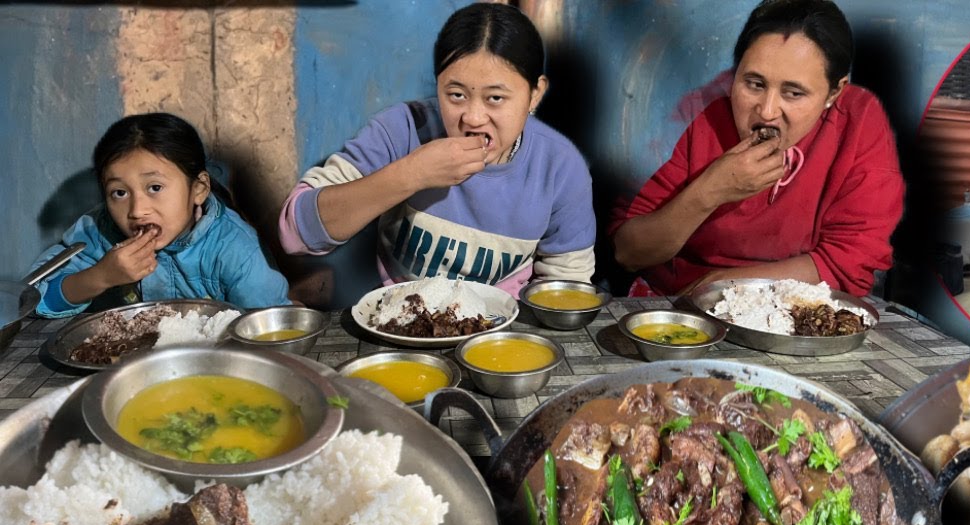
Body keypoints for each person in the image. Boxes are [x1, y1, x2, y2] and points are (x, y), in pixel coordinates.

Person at [278, 3, 595, 296]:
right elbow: (297, 233)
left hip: (502, 333)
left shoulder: (559, 166)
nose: (472, 118)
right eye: (455, 94)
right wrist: (412, 174)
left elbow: (567, 287)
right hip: (400, 320)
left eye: (495, 98)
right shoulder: (403, 130)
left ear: (534, 95)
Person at [610, 0, 904, 297]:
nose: (766, 111)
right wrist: (711, 189)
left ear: (834, 92)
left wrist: (726, 284)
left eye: (793, 93)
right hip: (679, 301)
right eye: (754, 84)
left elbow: (847, 261)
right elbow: (629, 253)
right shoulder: (697, 112)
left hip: (792, 305)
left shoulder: (859, 120)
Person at [30, 113, 292, 318]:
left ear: (198, 189)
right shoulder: (97, 233)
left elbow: (269, 325)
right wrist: (100, 277)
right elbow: (32, 296)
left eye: (155, 188)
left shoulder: (234, 248)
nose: (137, 210)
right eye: (119, 193)